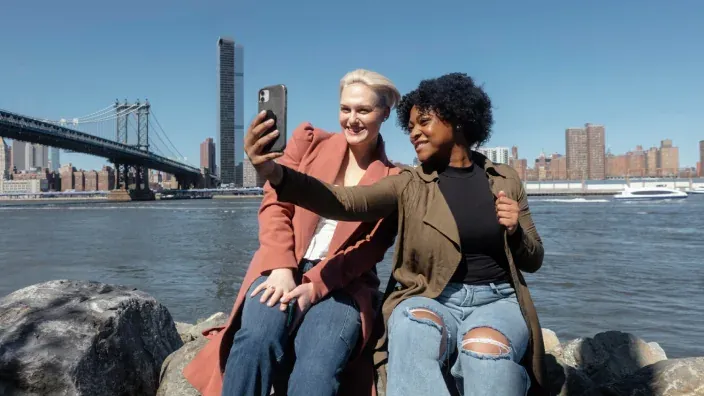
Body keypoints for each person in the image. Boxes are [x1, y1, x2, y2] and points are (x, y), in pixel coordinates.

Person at [244, 72, 549, 396]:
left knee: (484, 351)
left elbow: (534, 259)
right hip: (433, 297)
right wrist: (275, 174)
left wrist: (515, 231)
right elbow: (346, 202)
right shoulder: (408, 183)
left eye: (424, 122)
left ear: (458, 120)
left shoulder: (504, 179)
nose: (413, 133)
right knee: (411, 332)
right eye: (411, 126)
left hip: (496, 299)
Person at [182, 69, 402, 396]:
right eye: (345, 109)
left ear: (384, 113)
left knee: (317, 366)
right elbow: (275, 204)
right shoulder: (308, 140)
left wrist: (315, 286)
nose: (352, 119)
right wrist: (282, 265)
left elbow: (371, 248)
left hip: (342, 283)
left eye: (364, 110)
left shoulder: (394, 178)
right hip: (281, 267)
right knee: (255, 341)